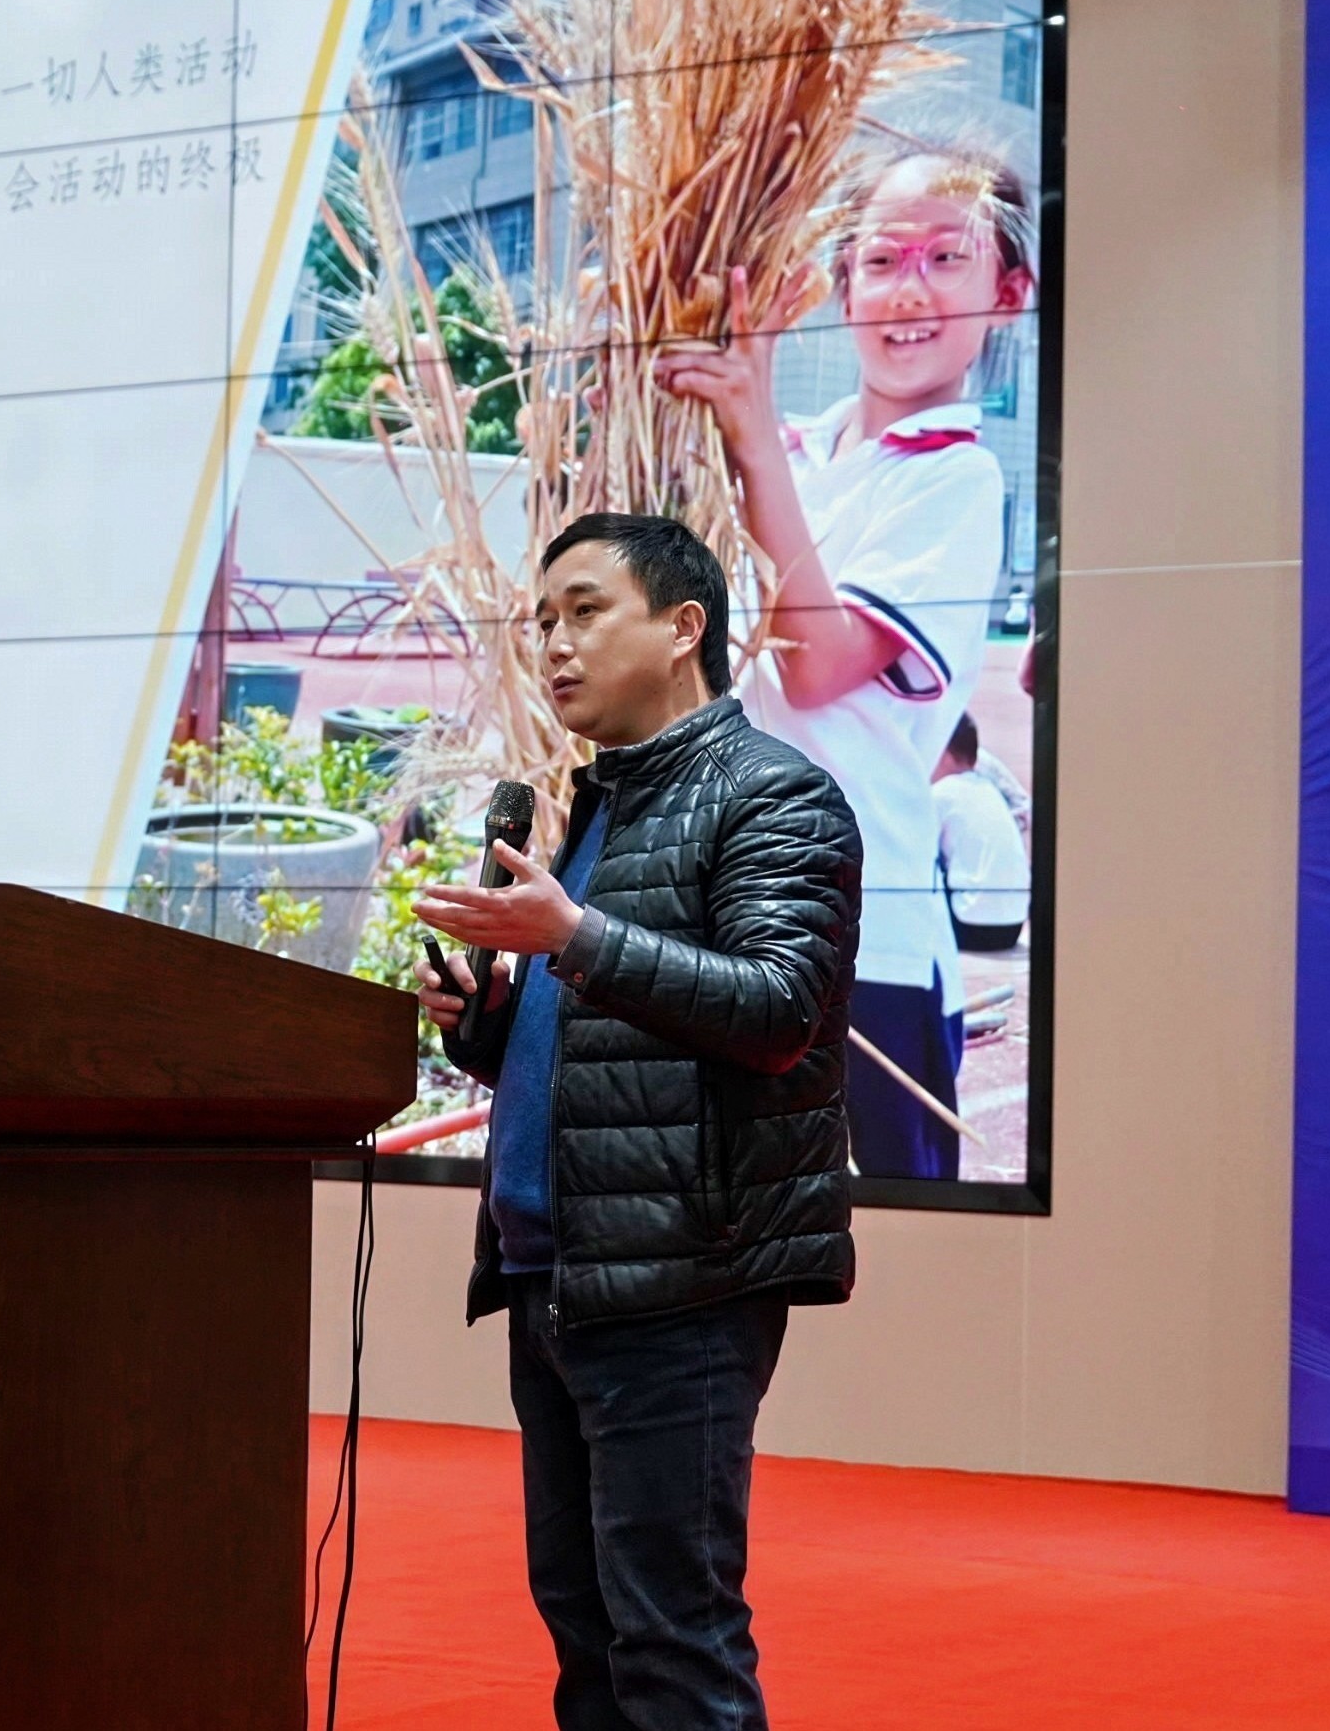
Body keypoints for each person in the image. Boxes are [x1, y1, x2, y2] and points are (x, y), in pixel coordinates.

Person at [410, 511, 859, 1731]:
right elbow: (610, 1041)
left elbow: (777, 1009)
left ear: (680, 627)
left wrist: (573, 937)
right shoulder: (595, 806)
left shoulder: (773, 793)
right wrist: (483, 1022)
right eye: (541, 621)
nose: (553, 643)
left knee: (671, 1639)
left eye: (584, 610)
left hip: (680, 1278)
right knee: (586, 1628)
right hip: (557, 1274)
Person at [655, 146, 1035, 1180]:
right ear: (841, 286)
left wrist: (749, 443)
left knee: (893, 1255)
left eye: (944, 258)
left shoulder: (955, 476)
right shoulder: (787, 450)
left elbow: (814, 664)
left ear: (1008, 292)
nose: (907, 290)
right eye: (880, 260)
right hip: (720, 924)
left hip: (863, 950)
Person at [934, 714, 1029, 953]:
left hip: (971, 928)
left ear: (942, 754)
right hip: (1013, 927)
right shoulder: (991, 790)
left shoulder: (941, 793)